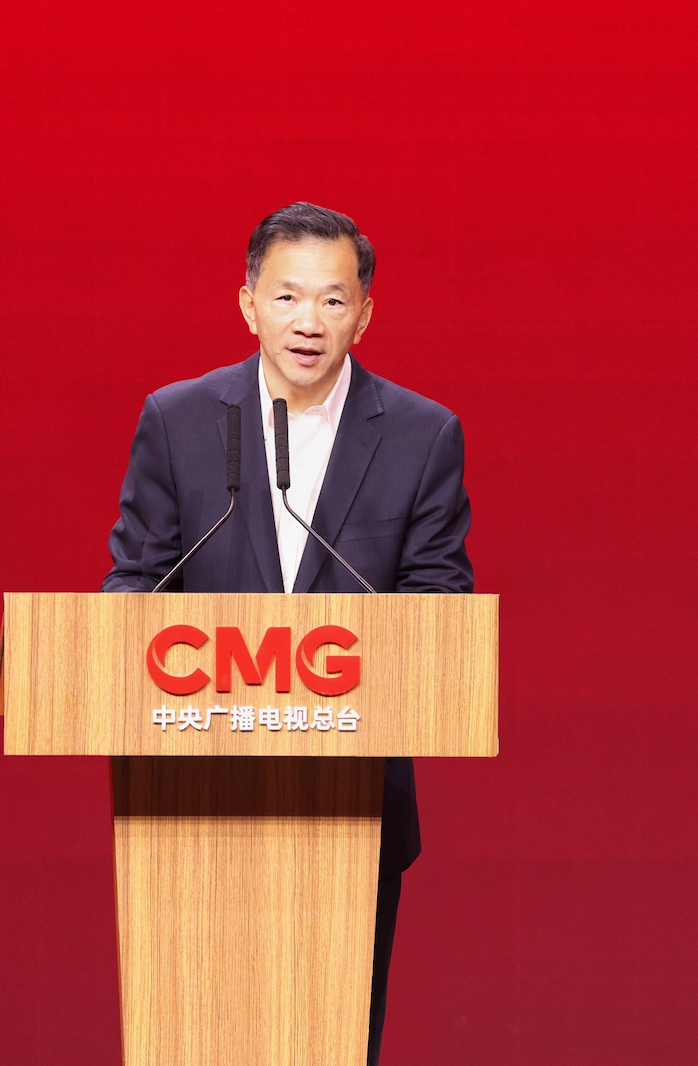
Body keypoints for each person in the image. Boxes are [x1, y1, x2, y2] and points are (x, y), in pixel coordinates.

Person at [102, 201, 473, 1064]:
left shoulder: (422, 434)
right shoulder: (177, 419)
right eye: (287, 296)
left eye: (333, 300)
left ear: (364, 314)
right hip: (196, 797)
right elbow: (134, 587)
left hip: (350, 804)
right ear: (248, 304)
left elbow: (439, 608)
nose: (309, 321)